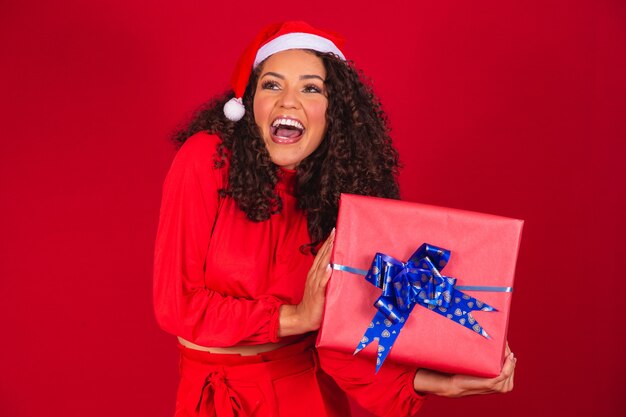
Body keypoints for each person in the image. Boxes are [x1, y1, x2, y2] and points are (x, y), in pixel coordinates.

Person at [153, 21, 516, 417]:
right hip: (213, 397)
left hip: (306, 396)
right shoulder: (205, 160)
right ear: (249, 102)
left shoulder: (344, 199)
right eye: (272, 85)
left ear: (333, 111)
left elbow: (342, 343)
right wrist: (295, 316)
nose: (288, 102)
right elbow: (178, 306)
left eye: (311, 88)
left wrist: (439, 382)